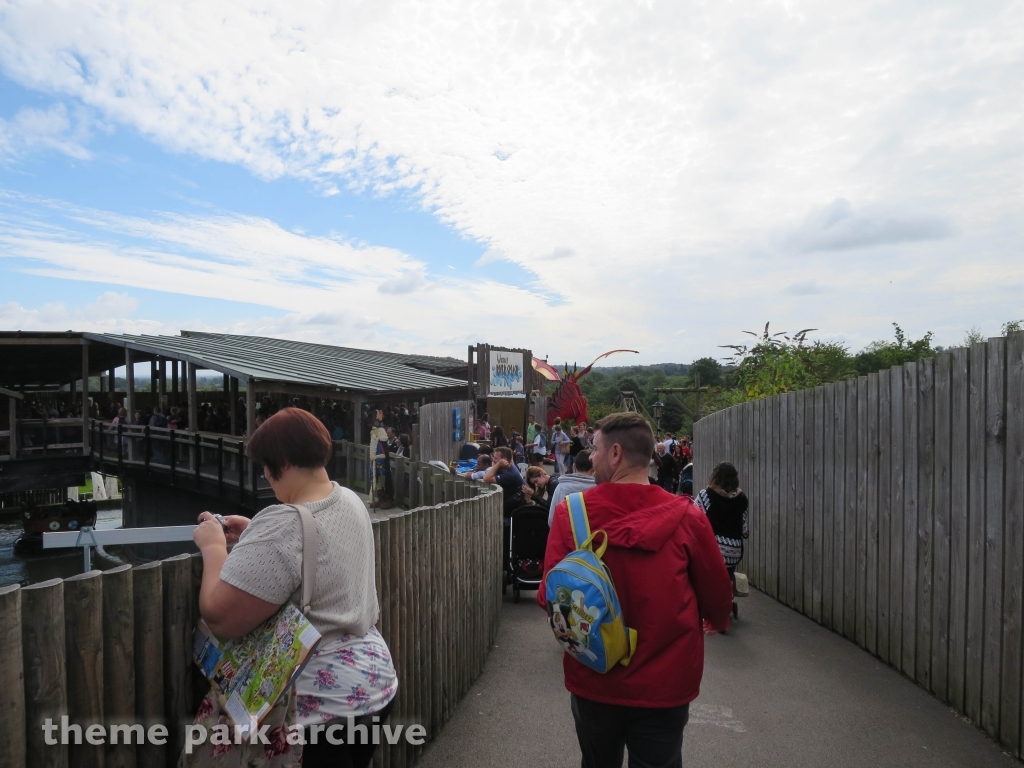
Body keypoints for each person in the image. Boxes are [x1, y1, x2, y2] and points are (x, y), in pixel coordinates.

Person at [190, 408, 396, 768]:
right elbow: (315, 558)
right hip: (375, 686)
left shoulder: (284, 525)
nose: (267, 478)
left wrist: (213, 548)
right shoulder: (349, 499)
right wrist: (256, 531)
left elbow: (220, 616)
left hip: (320, 706)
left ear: (280, 463)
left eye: (266, 469)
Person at [539, 412, 732, 768]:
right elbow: (718, 592)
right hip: (666, 680)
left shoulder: (573, 513)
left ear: (615, 454)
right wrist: (716, 620)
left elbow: (548, 597)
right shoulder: (687, 516)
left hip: (595, 676)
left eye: (594, 449)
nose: (590, 457)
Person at [695, 462, 749, 588]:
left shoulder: (706, 495)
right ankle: (728, 597)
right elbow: (745, 531)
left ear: (715, 477)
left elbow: (694, 519)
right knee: (726, 581)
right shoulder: (742, 499)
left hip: (712, 551)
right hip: (734, 554)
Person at [547, 449, 596, 527]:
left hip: (565, 535)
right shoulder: (598, 488)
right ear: (594, 468)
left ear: (574, 466)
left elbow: (551, 519)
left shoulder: (561, 487)